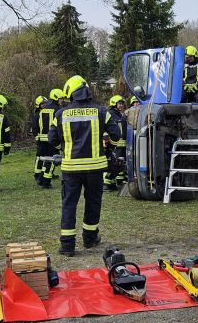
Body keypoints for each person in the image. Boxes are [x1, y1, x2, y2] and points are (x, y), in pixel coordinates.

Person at [48, 75, 121, 257]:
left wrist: (63, 148)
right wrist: (109, 148)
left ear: (71, 93)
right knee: (93, 202)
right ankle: (89, 239)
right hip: (95, 168)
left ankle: (67, 245)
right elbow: (116, 134)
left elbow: (52, 139)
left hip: (71, 168)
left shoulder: (60, 114)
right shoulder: (102, 111)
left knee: (69, 204)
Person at [33, 89, 63, 188]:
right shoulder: (58, 110)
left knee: (45, 159)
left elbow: (37, 125)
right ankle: (46, 181)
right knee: (53, 160)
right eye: (60, 98)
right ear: (56, 98)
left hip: (42, 140)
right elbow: (59, 126)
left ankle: (41, 178)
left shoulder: (43, 110)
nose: (62, 100)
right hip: (52, 139)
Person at [103, 95, 128, 191]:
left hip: (121, 144)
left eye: (122, 104)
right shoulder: (110, 114)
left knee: (119, 164)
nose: (121, 106)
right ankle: (106, 183)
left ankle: (111, 182)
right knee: (113, 163)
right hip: (115, 144)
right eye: (119, 103)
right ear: (114, 104)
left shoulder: (119, 115)